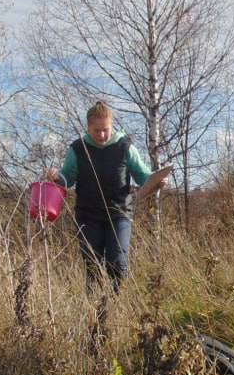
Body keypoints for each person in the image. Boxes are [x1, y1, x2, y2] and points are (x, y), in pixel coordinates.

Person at [47, 101, 166, 290]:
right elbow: (67, 178)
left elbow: (143, 176)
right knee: (92, 266)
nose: (102, 135)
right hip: (88, 215)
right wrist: (56, 178)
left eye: (106, 130)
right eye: (96, 130)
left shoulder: (125, 147)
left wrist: (156, 181)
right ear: (88, 128)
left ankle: (118, 305)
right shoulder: (78, 149)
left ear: (112, 126)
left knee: (117, 263)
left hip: (119, 213)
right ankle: (95, 312)